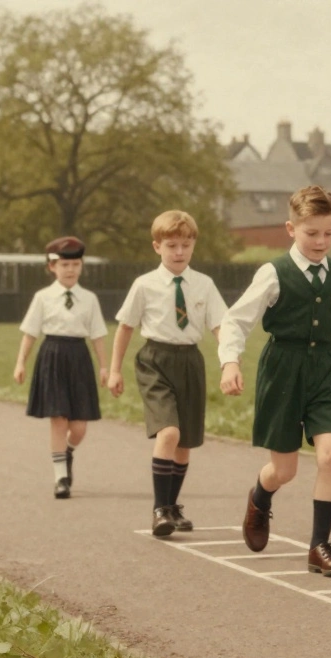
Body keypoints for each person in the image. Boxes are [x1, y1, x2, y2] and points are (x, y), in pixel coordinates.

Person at [218, 185, 331, 577]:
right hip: (282, 370)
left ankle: (319, 546)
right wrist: (229, 363)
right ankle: (260, 496)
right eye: (312, 233)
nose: (321, 241)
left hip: (323, 369)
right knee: (284, 471)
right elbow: (236, 320)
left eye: (329, 233)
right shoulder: (273, 273)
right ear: (291, 228)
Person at [108, 210, 227, 536]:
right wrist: (115, 370)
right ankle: (159, 509)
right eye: (171, 245)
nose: (179, 252)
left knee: (185, 441)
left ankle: (172, 507)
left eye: (185, 245)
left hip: (190, 361)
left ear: (193, 246)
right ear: (156, 247)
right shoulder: (144, 285)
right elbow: (125, 327)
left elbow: (220, 326)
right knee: (169, 433)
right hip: (155, 360)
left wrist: (230, 363)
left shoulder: (204, 284)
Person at [14, 236, 108, 499]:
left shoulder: (89, 299)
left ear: (81, 266)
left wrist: (104, 367)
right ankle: (61, 478)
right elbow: (30, 332)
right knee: (58, 418)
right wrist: (21, 361)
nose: (70, 270)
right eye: (64, 264)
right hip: (52, 356)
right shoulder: (43, 297)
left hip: (78, 357)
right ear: (51, 267)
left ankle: (67, 451)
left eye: (75, 264)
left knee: (78, 426)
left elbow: (98, 335)